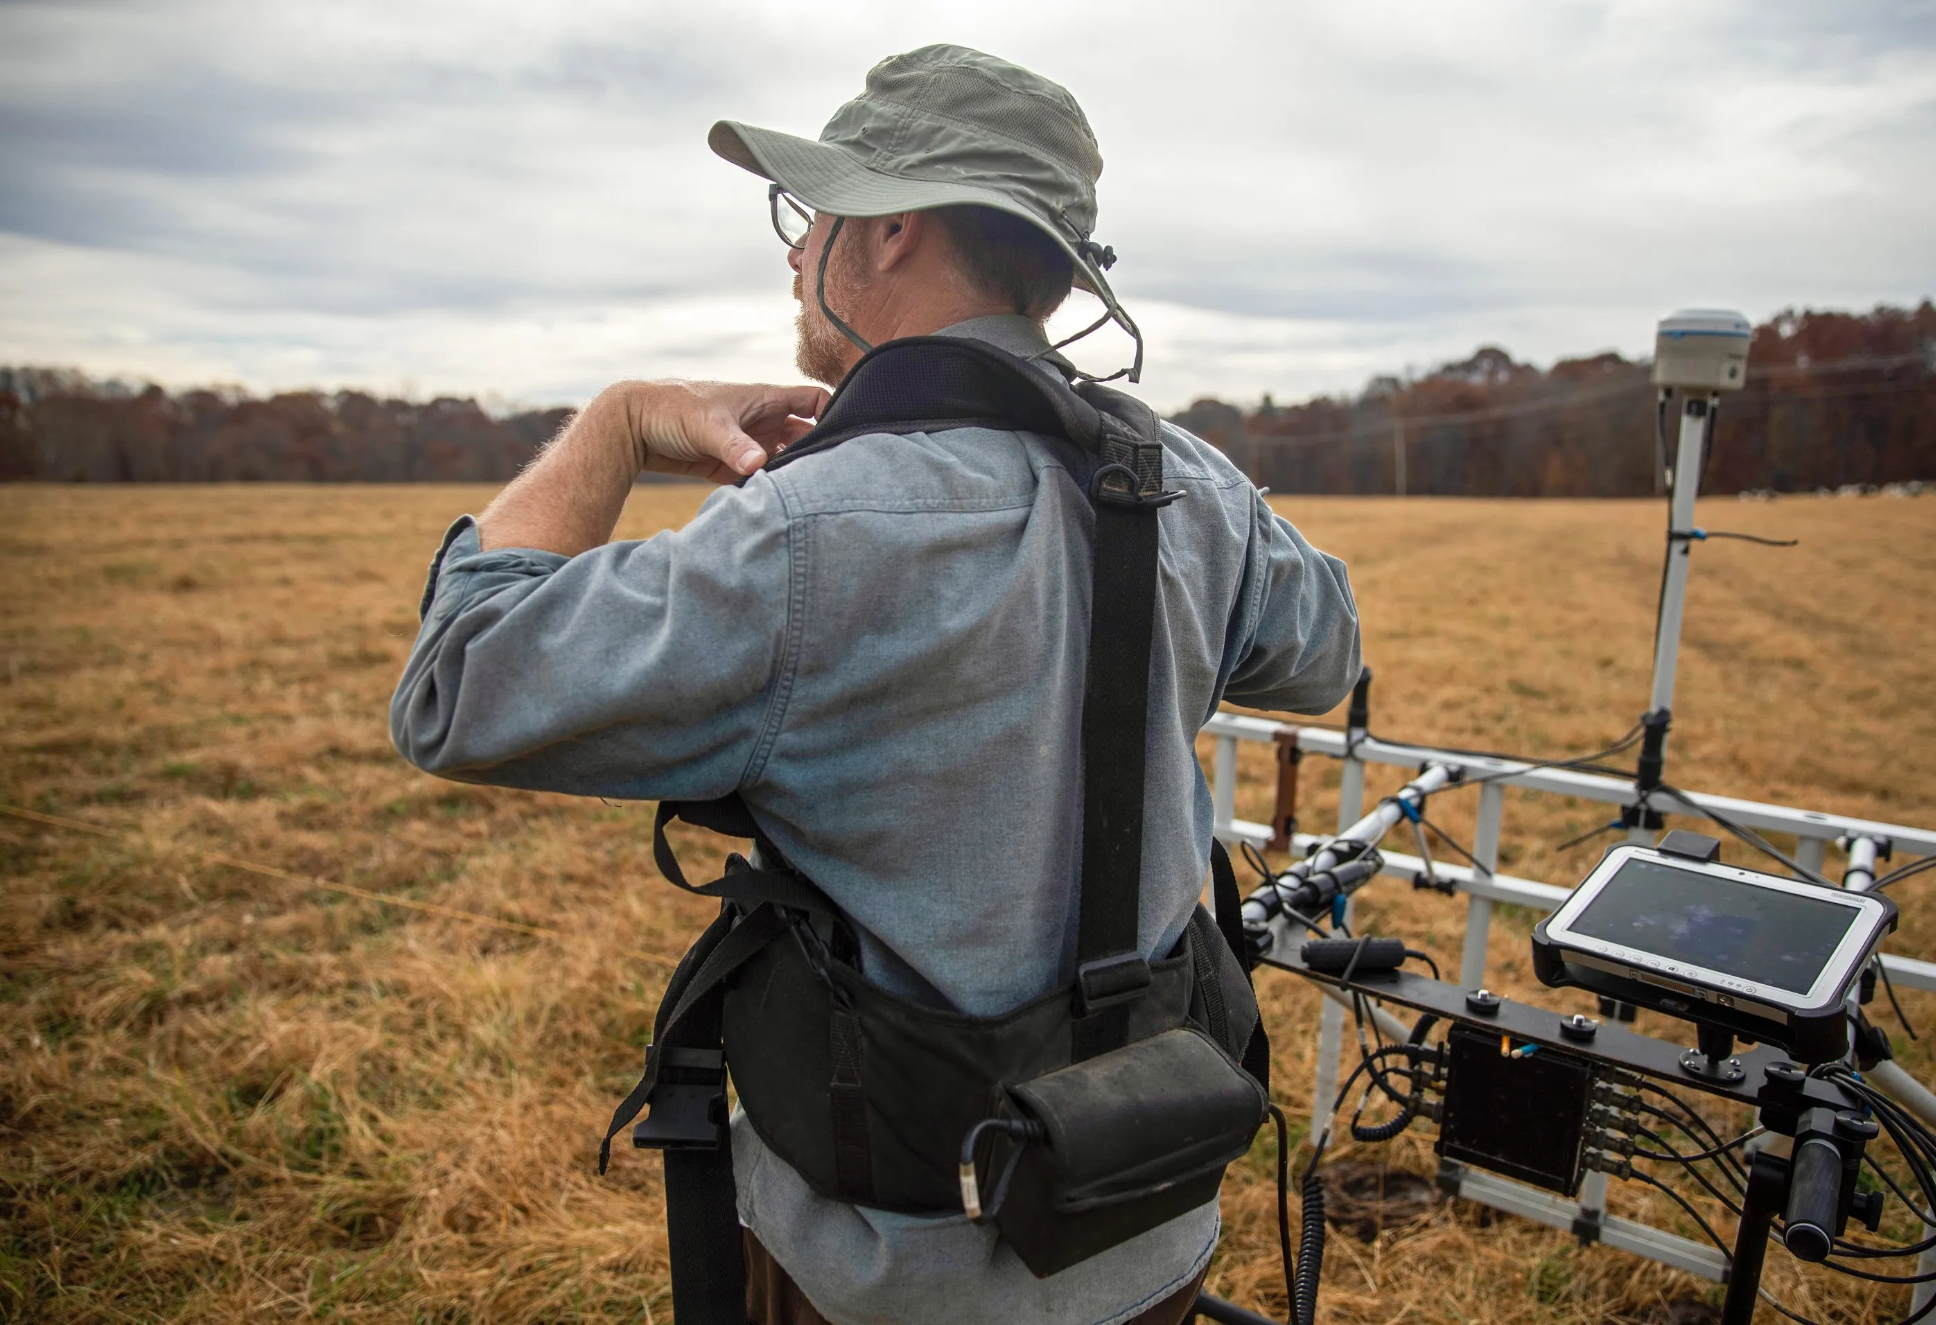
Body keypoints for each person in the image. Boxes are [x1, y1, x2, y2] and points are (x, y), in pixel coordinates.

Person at [390, 43, 1359, 1325]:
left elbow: (456, 687)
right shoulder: (1191, 483)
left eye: (813, 216)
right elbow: (1323, 648)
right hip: (1150, 1225)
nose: (796, 254)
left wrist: (622, 419)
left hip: (889, 1272)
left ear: (890, 228)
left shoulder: (805, 533)